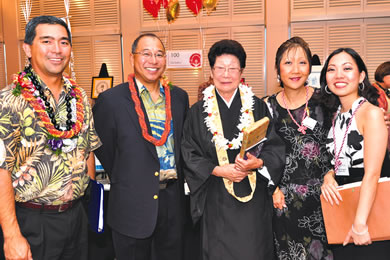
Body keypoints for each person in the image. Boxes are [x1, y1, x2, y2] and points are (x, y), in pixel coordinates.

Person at [0, 15, 101, 260]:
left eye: (64, 42)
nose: (57, 49)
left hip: (76, 217)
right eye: (47, 41)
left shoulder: (79, 98)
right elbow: (1, 169)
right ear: (28, 48)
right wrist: (12, 235)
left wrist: (86, 202)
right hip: (33, 221)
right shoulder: (9, 100)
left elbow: (87, 150)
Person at [181, 39, 285, 260]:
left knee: (253, 251)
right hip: (216, 196)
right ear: (211, 71)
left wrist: (257, 163)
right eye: (220, 68)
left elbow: (274, 147)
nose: (226, 74)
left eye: (232, 68)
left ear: (241, 72)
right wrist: (219, 170)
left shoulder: (257, 106)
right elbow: (188, 152)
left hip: (253, 198)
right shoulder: (197, 112)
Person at [93, 33, 189, 260]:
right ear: (132, 57)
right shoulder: (111, 100)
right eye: (146, 54)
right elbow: (103, 148)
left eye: (159, 54)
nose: (153, 60)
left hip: (173, 204)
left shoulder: (179, 97)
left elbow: (183, 144)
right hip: (131, 206)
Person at [266, 36, 334, 259]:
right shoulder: (265, 107)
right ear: (278, 69)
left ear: (310, 67)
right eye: (288, 63)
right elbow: (258, 152)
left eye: (302, 62)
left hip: (324, 201)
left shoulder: (327, 101)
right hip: (282, 202)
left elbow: (342, 139)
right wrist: (272, 188)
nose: (295, 69)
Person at [320, 48, 390, 259]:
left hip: (368, 213)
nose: (339, 75)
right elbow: (339, 158)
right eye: (332, 69)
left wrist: (360, 223)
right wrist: (329, 175)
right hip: (343, 209)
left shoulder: (371, 113)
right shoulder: (335, 114)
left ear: (360, 76)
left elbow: (372, 174)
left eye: (347, 68)